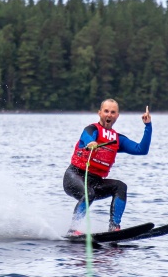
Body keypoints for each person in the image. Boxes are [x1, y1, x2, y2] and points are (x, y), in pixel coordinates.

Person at [63, 99, 152, 236]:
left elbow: (141, 149)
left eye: (112, 112)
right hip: (75, 176)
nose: (109, 115)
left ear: (117, 116)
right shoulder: (92, 129)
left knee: (120, 186)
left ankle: (114, 227)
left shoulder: (117, 139)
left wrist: (148, 126)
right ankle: (73, 229)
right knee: (89, 193)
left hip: (95, 181)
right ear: (99, 113)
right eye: (106, 111)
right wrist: (91, 142)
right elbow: (87, 136)